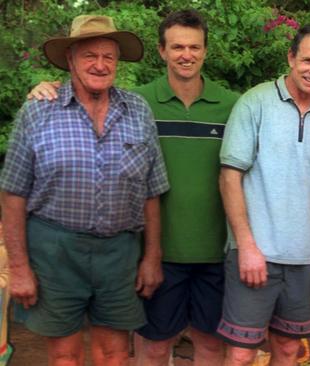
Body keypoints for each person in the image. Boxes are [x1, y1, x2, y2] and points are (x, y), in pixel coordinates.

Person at [27, 10, 241, 365]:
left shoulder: (233, 106)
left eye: (194, 47)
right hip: (154, 253)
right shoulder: (135, 104)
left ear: (205, 51)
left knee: (210, 344)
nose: (186, 54)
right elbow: (83, 100)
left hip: (216, 252)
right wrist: (43, 88)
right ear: (161, 51)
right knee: (153, 346)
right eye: (176, 47)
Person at [0, 15, 169, 365]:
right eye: (90, 55)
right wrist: (19, 268)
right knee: (65, 357)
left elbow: (152, 192)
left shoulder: (137, 111)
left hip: (119, 254)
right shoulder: (38, 112)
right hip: (55, 252)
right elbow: (12, 193)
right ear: (70, 59)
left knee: (115, 355)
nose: (100, 64)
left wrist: (151, 257)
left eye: (108, 56)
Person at [217, 24, 310, 366]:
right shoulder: (254, 103)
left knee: (288, 350)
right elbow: (230, 177)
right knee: (241, 354)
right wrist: (246, 246)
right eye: (307, 60)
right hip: (255, 256)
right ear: (291, 57)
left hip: (303, 261)